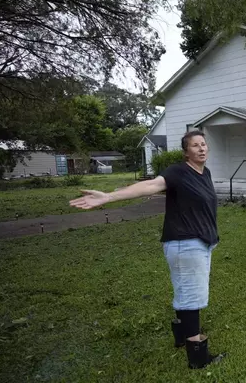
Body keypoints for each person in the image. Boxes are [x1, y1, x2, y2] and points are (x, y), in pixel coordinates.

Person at [69, 130, 225, 369]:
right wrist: (109, 197)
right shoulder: (177, 172)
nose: (202, 149)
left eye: (204, 144)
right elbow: (151, 185)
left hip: (199, 242)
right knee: (192, 296)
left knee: (186, 291)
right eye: (195, 146)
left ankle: (182, 337)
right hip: (186, 243)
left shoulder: (205, 173)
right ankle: (198, 357)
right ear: (186, 152)